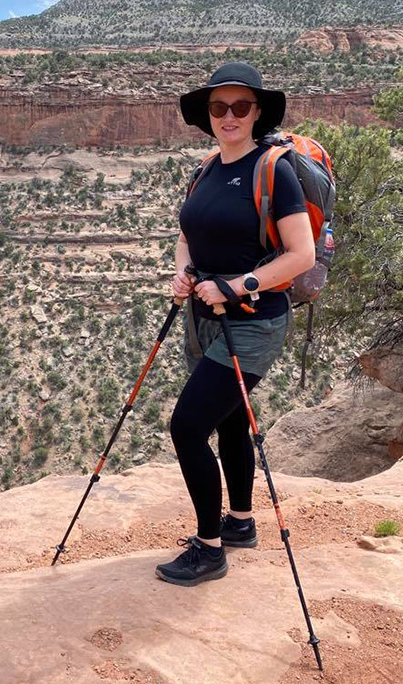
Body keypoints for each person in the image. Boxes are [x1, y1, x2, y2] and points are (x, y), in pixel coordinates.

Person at [155, 62, 316, 586]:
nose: (229, 116)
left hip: (251, 324)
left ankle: (209, 547)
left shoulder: (275, 170)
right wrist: (183, 273)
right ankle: (241, 523)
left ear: (257, 112)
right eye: (219, 107)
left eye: (241, 107)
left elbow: (301, 255)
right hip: (202, 320)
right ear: (207, 114)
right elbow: (188, 238)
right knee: (227, 422)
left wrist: (237, 285)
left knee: (186, 427)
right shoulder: (205, 169)